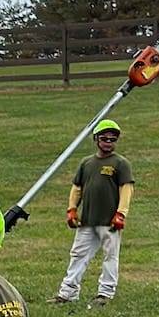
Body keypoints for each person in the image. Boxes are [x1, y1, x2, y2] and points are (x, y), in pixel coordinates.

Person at [58, 122, 132, 303]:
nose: (108, 142)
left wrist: (121, 213)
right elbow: (77, 188)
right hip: (88, 220)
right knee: (78, 254)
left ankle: (105, 293)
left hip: (110, 222)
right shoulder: (87, 163)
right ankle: (67, 293)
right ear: (96, 139)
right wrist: (72, 209)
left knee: (110, 256)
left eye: (112, 139)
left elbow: (126, 189)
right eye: (104, 138)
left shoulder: (120, 163)